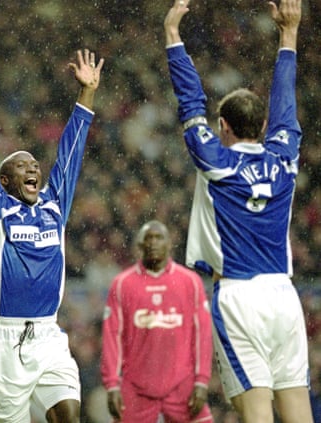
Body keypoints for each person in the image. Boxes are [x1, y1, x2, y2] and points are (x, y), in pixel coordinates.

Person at [163, 1, 313, 422]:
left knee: (255, 412)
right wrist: (289, 34)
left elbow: (190, 103)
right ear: (263, 127)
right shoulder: (284, 158)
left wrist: (173, 35)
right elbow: (285, 103)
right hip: (284, 295)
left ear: (223, 126)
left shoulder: (216, 162)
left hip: (239, 296)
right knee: (298, 407)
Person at [0, 46, 104, 423]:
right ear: (4, 181)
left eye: (35, 165)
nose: (32, 168)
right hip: (5, 339)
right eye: (21, 166)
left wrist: (87, 93)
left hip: (49, 335)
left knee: (68, 414)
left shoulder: (54, 206)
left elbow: (71, 153)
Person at [100, 220, 213, 423]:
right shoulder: (122, 284)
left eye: (158, 237)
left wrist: (202, 381)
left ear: (170, 243)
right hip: (136, 386)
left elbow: (202, 335)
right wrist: (112, 384)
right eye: (148, 238)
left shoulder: (190, 282)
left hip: (182, 384)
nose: (153, 243)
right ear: (139, 246)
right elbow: (111, 336)